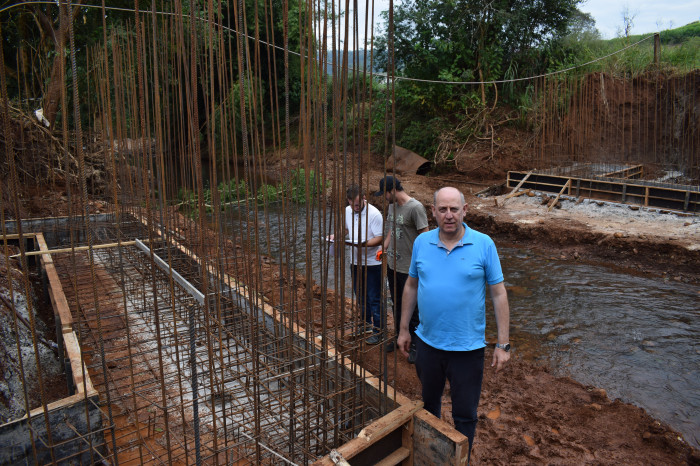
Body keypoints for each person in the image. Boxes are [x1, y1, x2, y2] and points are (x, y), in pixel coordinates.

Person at [397, 186, 510, 460]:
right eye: (443, 209)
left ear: (465, 210)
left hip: (468, 349)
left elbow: (498, 293)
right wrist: (402, 329)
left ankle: (463, 459)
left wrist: (503, 344)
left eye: (454, 209)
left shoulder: (484, 244)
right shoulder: (422, 243)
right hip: (428, 344)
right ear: (433, 212)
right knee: (429, 405)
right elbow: (411, 285)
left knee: (465, 414)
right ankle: (432, 455)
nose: (449, 215)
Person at [374, 176, 428, 359]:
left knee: (413, 307)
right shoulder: (392, 206)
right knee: (396, 302)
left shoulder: (415, 208)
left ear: (392, 190)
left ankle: (415, 344)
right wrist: (384, 248)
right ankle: (399, 335)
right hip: (393, 265)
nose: (385, 198)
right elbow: (390, 229)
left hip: (410, 268)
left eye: (385, 194)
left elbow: (425, 237)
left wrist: (422, 264)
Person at [335, 184, 385, 344]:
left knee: (374, 297)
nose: (354, 207)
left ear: (364, 198)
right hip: (355, 261)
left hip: (372, 262)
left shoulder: (375, 214)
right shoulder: (347, 211)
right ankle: (365, 324)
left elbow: (380, 238)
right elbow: (347, 230)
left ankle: (379, 330)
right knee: (360, 295)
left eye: (357, 204)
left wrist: (362, 245)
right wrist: (336, 236)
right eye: (351, 204)